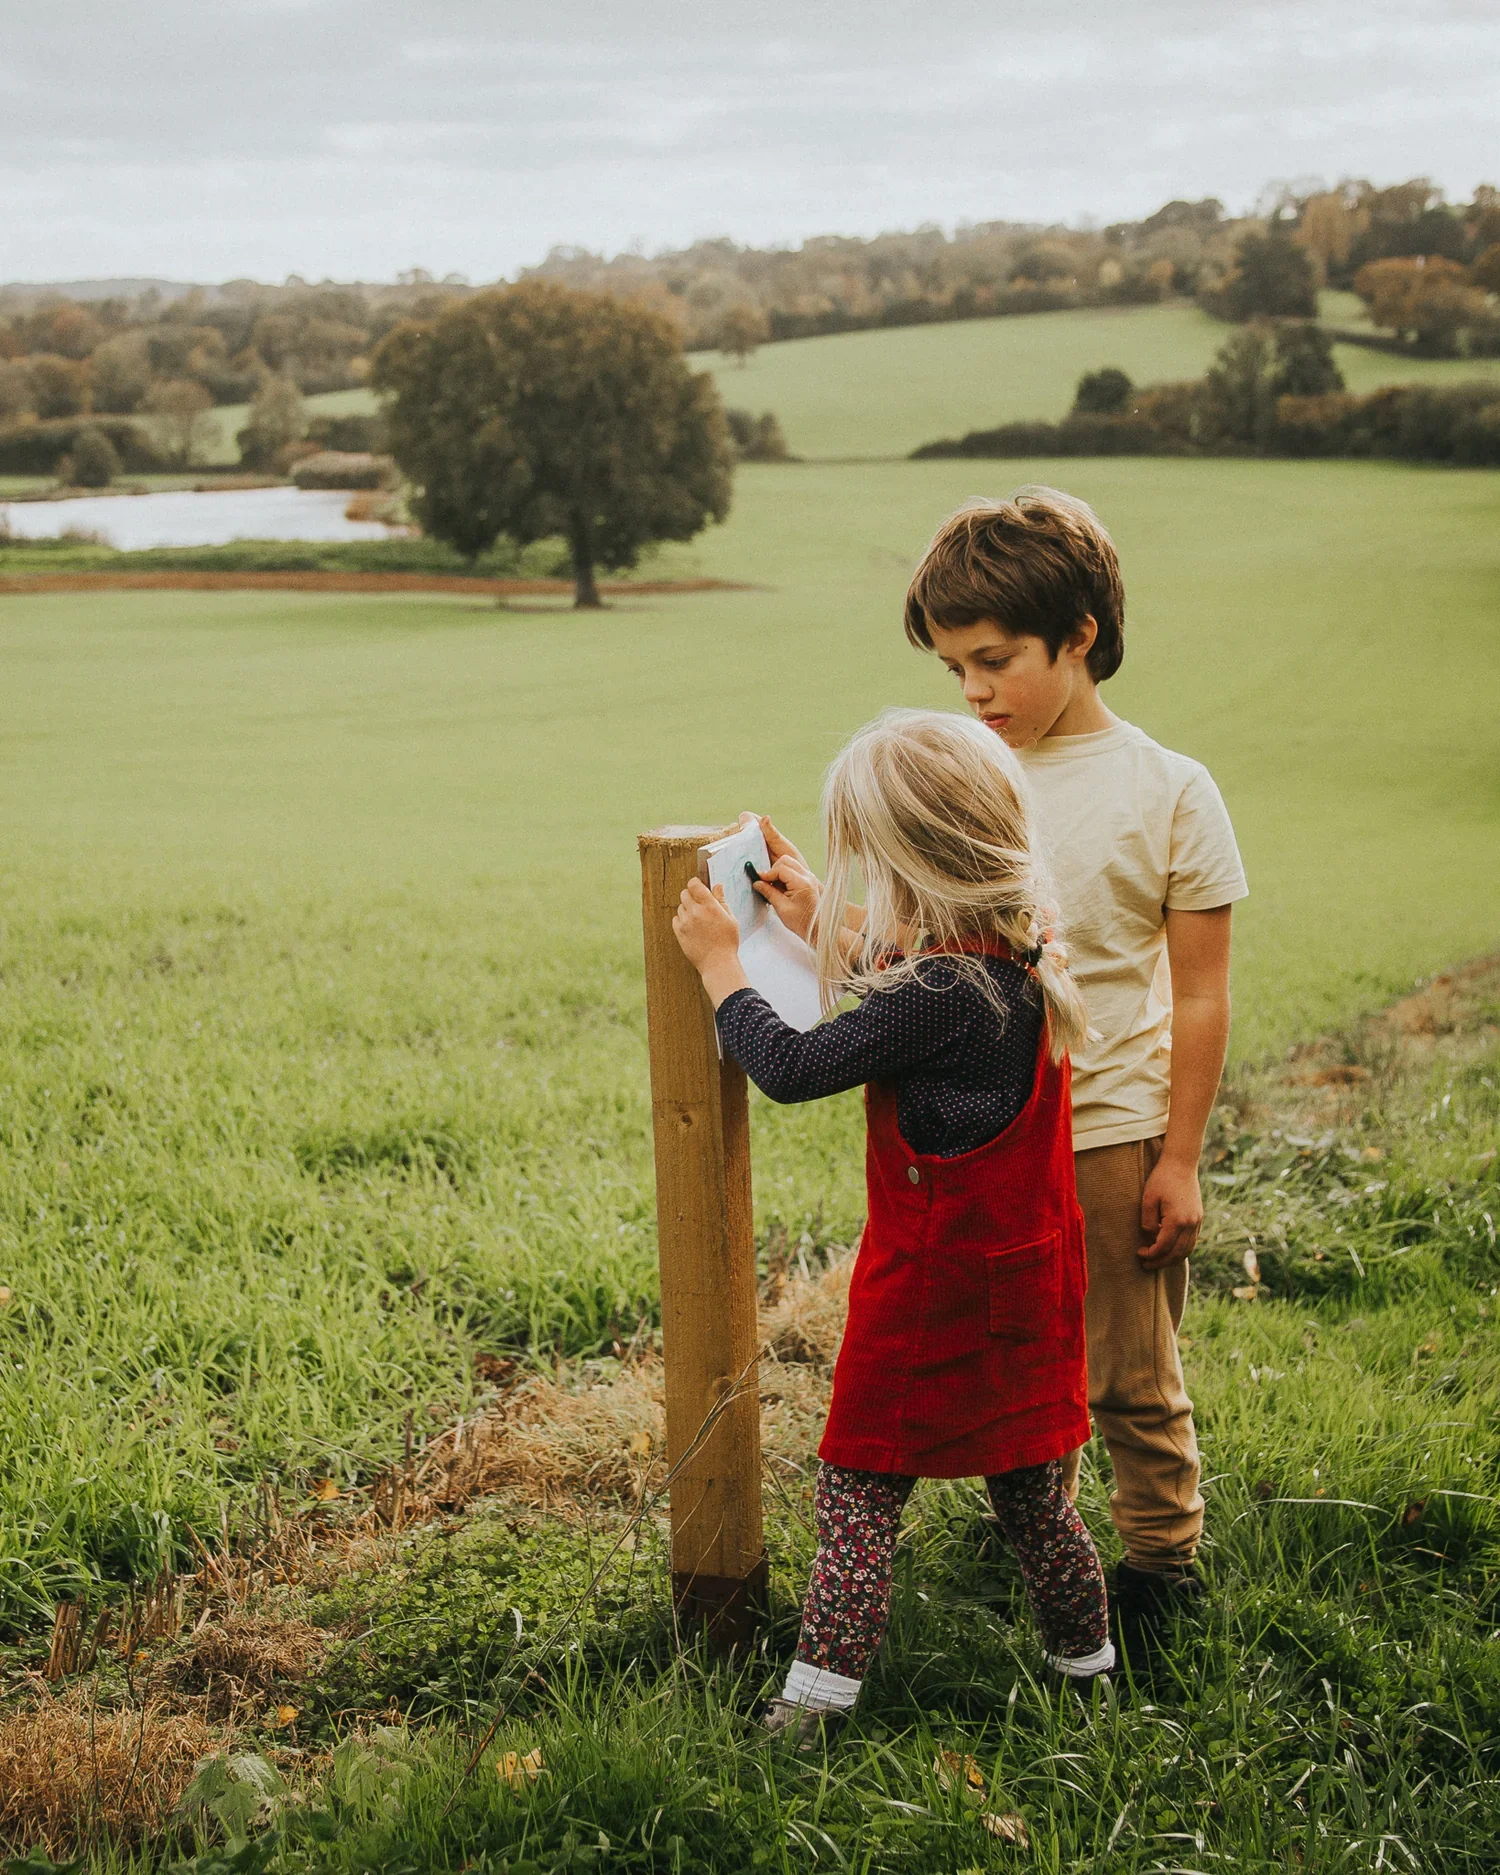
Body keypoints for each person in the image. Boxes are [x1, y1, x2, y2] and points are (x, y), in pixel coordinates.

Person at [672, 708, 1113, 1745]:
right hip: (1031, 1283)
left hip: (937, 1293)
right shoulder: (1017, 941)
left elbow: (791, 1067)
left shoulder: (939, 989)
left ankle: (810, 1717)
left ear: (917, 862)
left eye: (868, 859)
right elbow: (908, 973)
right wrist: (821, 913)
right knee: (1033, 1498)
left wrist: (723, 967)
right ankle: (1088, 1673)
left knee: (860, 1492)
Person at [900, 488, 1249, 1663]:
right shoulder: (959, 776)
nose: (973, 694)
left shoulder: (1169, 789)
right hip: (985, 1136)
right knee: (1011, 1359)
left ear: (1081, 634)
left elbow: (1199, 992)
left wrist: (1183, 1158)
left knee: (1128, 1370)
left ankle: (1158, 1569)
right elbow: (914, 948)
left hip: (1109, 1129)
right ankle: (1042, 1537)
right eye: (954, 669)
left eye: (994, 661)